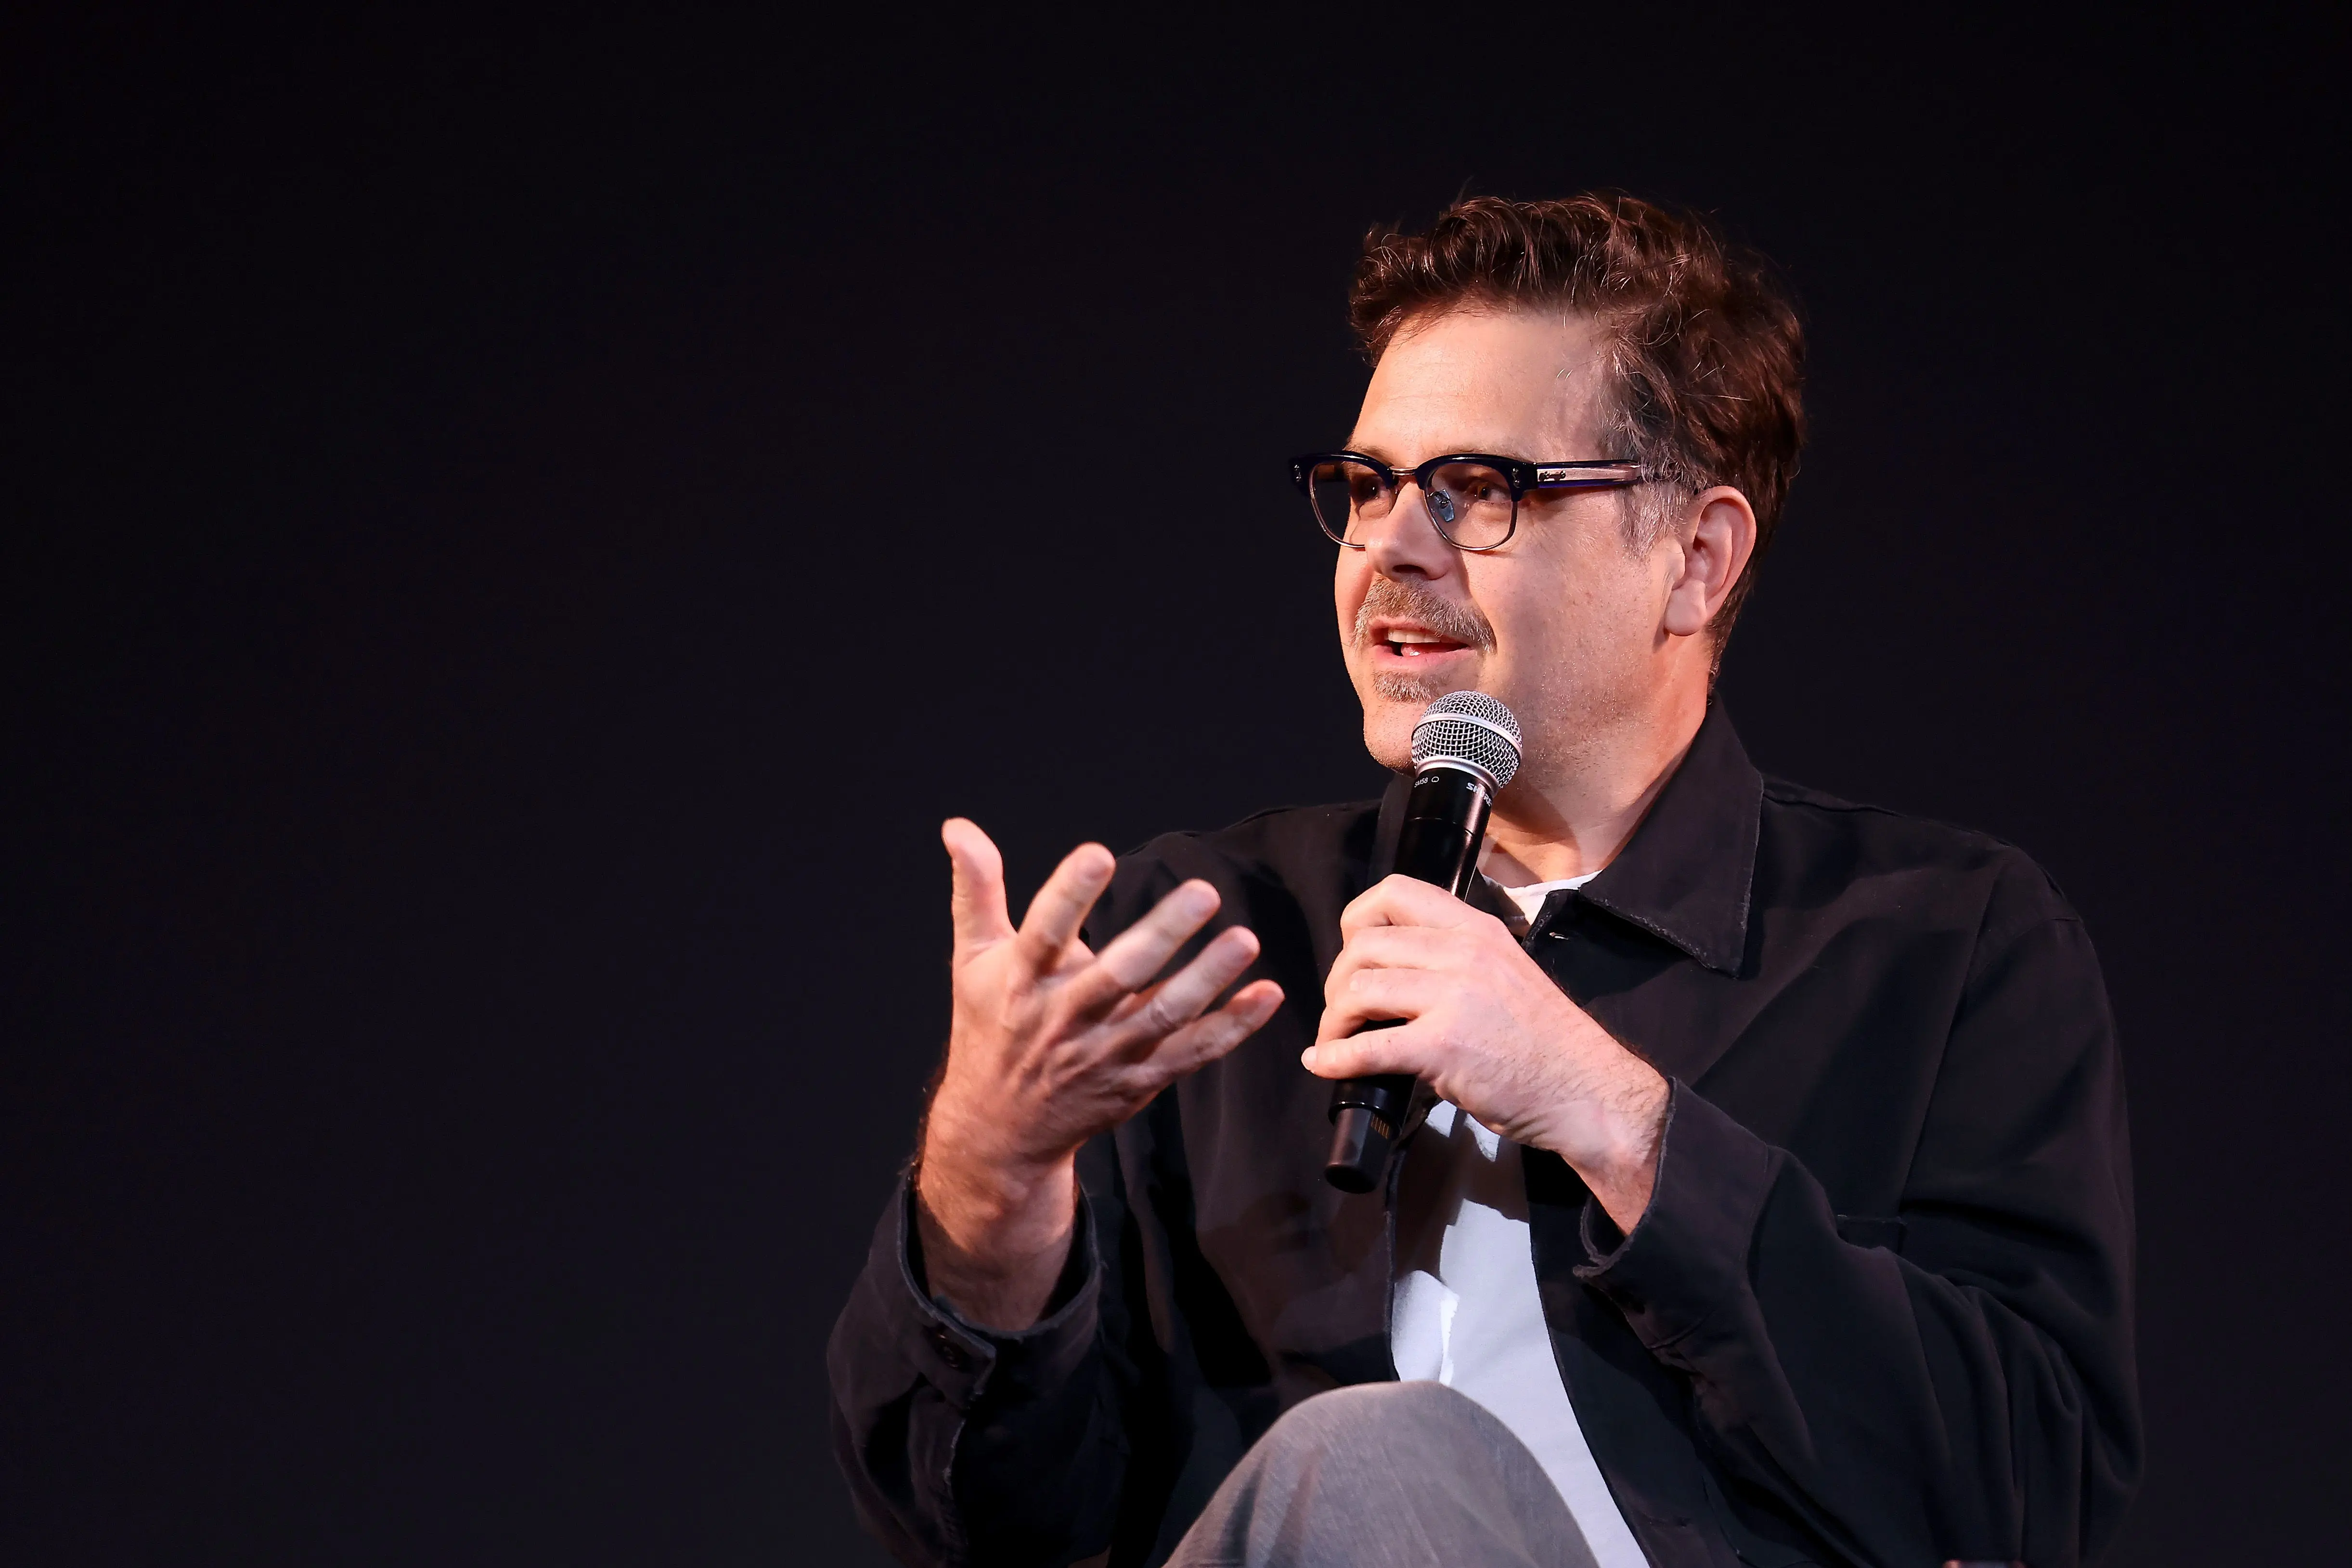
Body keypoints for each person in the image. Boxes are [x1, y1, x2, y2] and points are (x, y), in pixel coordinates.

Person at [827, 194, 2139, 1568]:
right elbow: (981, 1532)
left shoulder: (1937, 943)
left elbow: (2024, 1489)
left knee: (1375, 1450)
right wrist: (987, 1179)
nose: (1391, 545)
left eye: (1479, 489)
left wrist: (1609, 1112)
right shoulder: (1213, 944)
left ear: (1694, 559)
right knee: (1357, 1459)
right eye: (1366, 485)